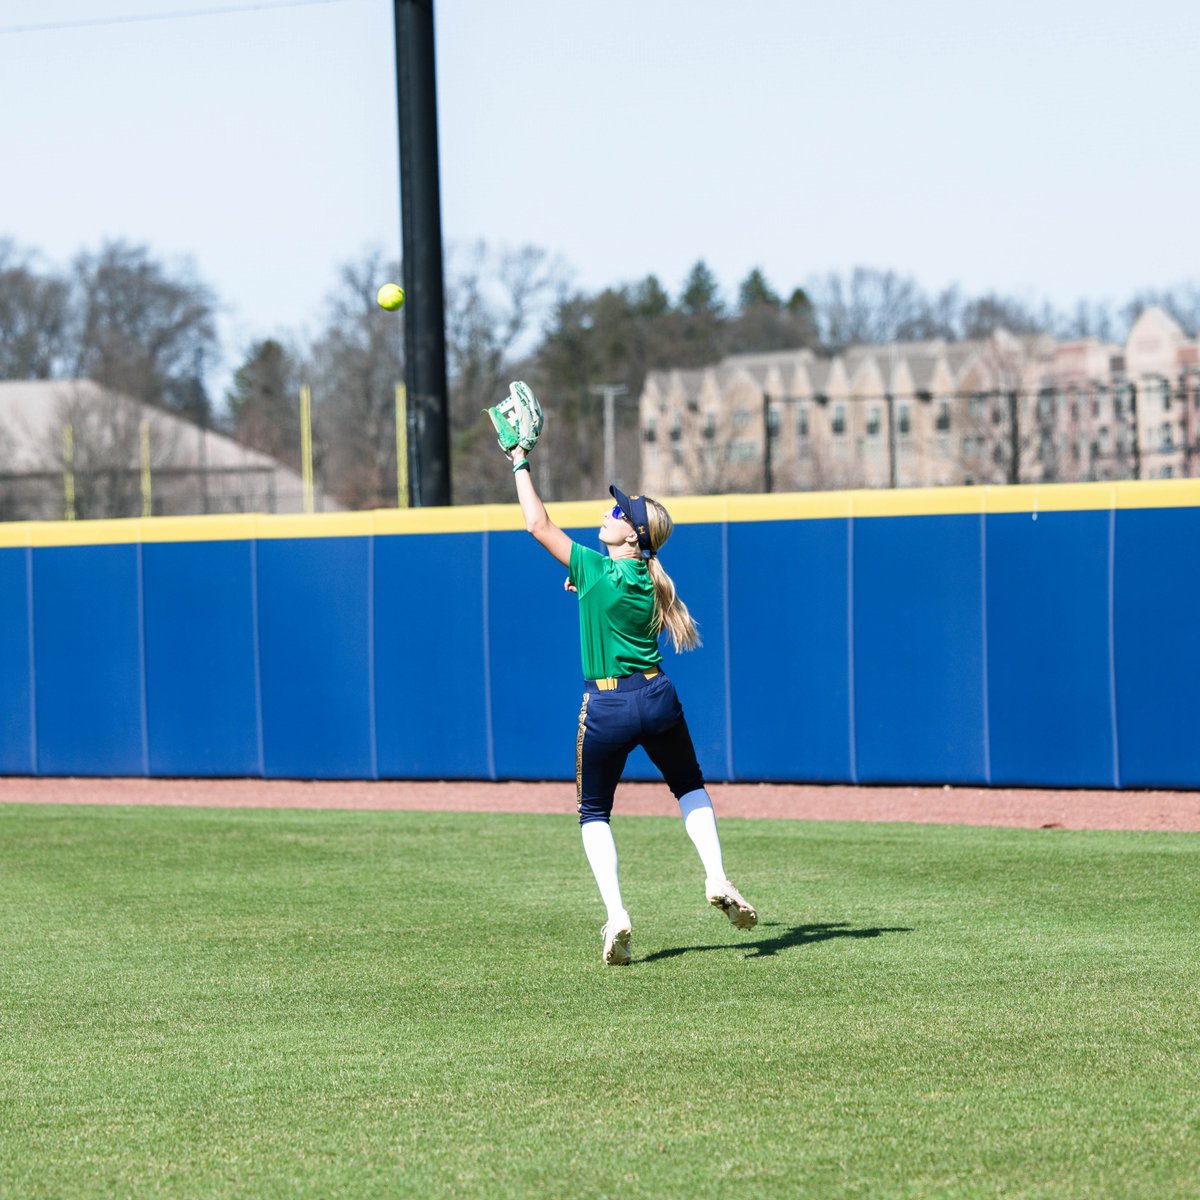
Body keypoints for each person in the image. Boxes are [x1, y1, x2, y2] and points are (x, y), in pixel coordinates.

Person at [505, 439, 757, 966]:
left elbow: (536, 524)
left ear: (632, 535)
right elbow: (609, 588)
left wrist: (519, 461)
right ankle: (716, 875)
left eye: (619, 512)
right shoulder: (647, 578)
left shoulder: (597, 571)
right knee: (689, 787)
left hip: (608, 707)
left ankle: (617, 914)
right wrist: (585, 583)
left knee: (593, 811)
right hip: (657, 695)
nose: (608, 511)